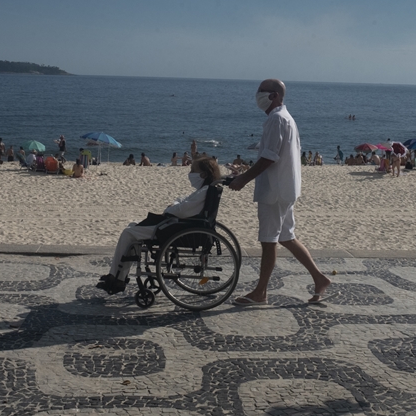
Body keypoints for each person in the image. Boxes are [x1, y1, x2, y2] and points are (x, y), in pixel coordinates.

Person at [228, 79, 331, 305]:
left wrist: (244, 179)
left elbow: (270, 156)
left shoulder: (277, 119)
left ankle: (260, 293)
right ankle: (319, 278)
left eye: (261, 92)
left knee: (268, 241)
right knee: (287, 237)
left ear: (274, 95)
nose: (257, 96)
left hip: (274, 191)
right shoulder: (286, 118)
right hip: (286, 187)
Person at [97, 156, 222, 294]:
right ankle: (118, 276)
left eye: (193, 170)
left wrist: (170, 208)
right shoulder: (205, 190)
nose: (190, 173)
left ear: (203, 174)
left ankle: (116, 278)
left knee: (129, 233)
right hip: (180, 225)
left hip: (176, 229)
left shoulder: (203, 192)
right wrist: (175, 205)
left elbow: (181, 209)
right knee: (132, 227)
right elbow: (183, 202)